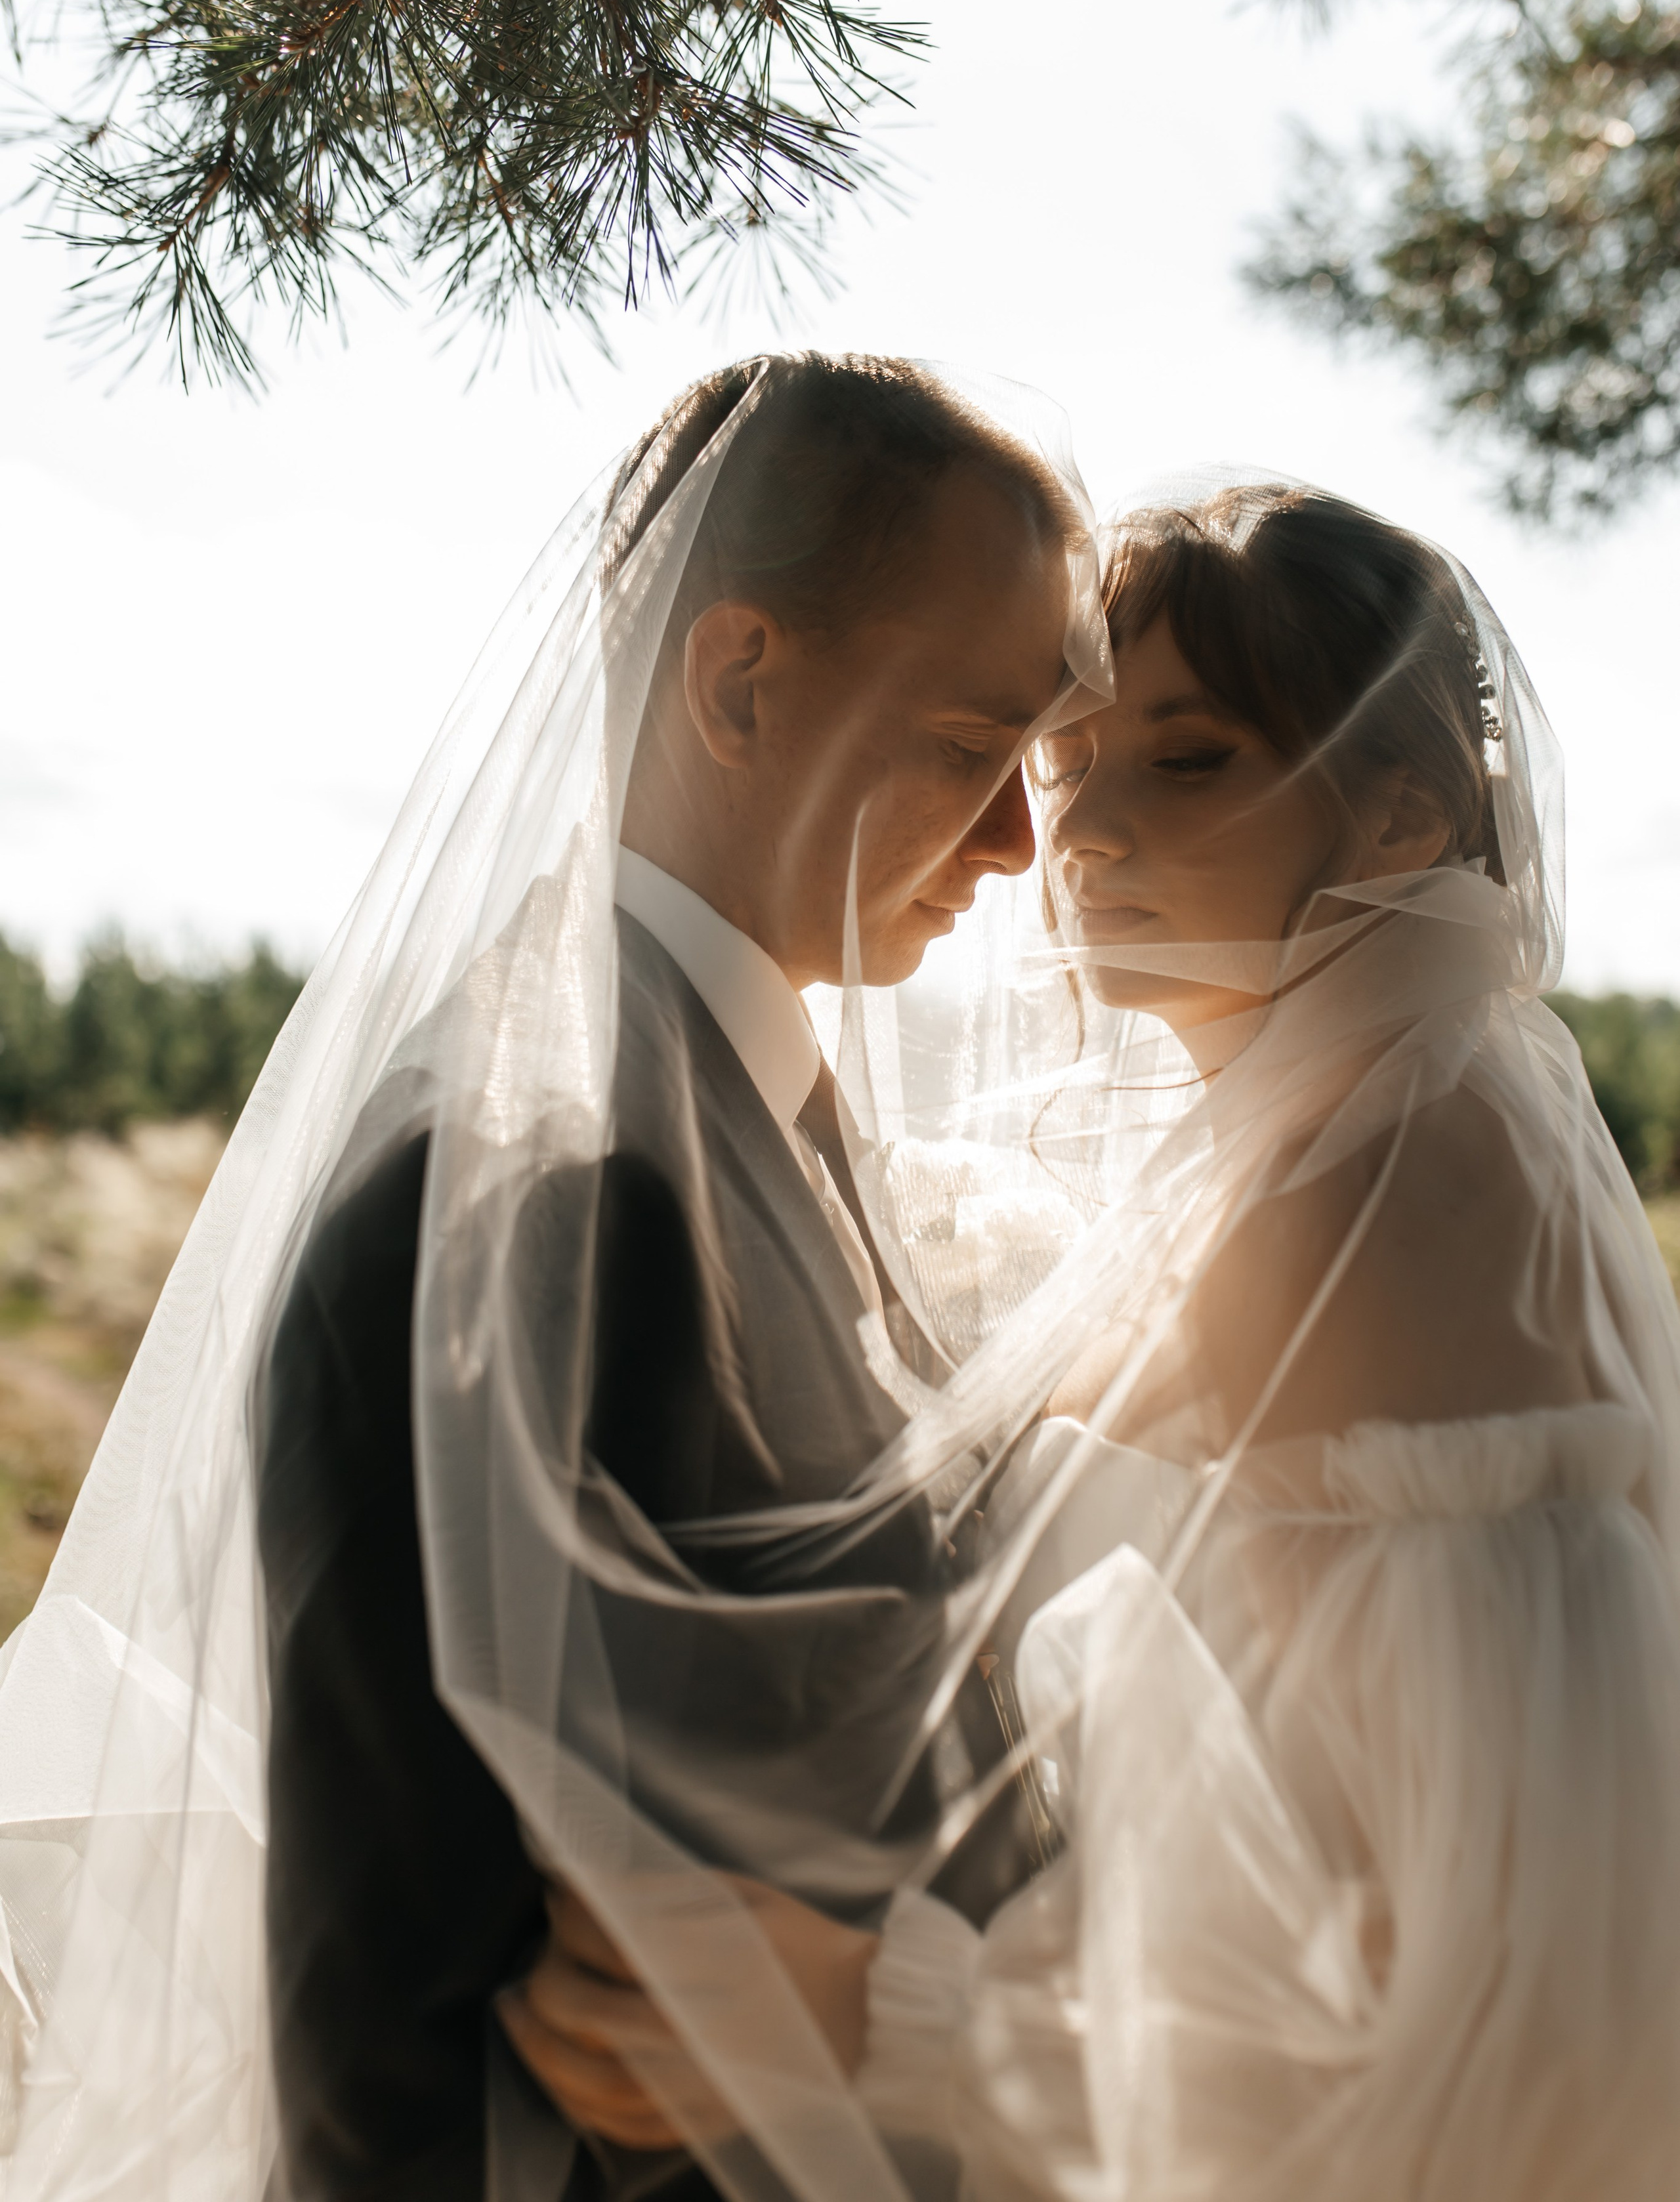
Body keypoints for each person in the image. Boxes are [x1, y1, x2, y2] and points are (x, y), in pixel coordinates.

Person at [0, 352, 1111, 2202]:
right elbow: (386, 2045)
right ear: (740, 682)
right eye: (967, 745)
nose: (1017, 845)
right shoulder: (525, 1186)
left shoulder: (762, 1114)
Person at [510, 482, 1680, 2202]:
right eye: (1064, 767)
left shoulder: (1386, 1184)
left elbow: (1514, 1988)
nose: (1086, 836)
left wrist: (879, 2013)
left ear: (1403, 809)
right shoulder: (1333, 1139)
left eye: (1186, 761)